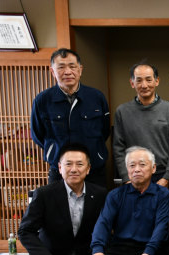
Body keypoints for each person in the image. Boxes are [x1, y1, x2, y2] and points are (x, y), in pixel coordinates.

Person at [18, 143, 107, 255]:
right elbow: (25, 231)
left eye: (79, 164)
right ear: (59, 168)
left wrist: (99, 253)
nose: (74, 169)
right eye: (68, 164)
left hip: (84, 254)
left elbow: (106, 228)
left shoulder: (100, 194)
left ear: (88, 169)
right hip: (54, 254)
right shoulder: (44, 194)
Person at [30, 48, 110, 187]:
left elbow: (105, 131)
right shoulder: (42, 100)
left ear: (80, 70)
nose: (67, 72)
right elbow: (38, 135)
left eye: (72, 66)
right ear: (52, 71)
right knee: (57, 201)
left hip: (93, 168)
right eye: (61, 67)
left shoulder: (96, 97)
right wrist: (54, 151)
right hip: (60, 169)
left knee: (97, 201)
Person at [113, 61, 169, 193]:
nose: (144, 85)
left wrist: (168, 177)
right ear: (132, 83)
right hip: (134, 176)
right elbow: (118, 148)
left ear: (157, 81)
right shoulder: (122, 111)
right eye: (139, 80)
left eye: (148, 79)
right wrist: (126, 178)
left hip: (163, 176)